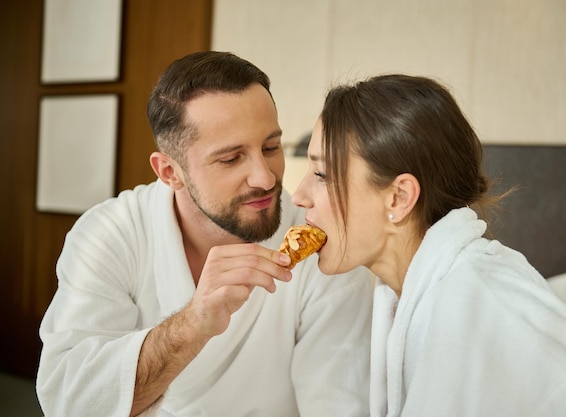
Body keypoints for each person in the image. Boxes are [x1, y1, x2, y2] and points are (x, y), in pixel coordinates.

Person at [36, 51, 374, 417]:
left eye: (270, 147)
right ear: (169, 172)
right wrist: (192, 324)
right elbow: (69, 401)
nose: (265, 178)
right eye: (230, 159)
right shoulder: (110, 235)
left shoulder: (318, 241)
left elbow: (339, 401)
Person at [291, 74, 566, 416]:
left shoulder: (487, 300)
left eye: (322, 175)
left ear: (398, 197)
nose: (298, 196)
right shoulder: (407, 298)